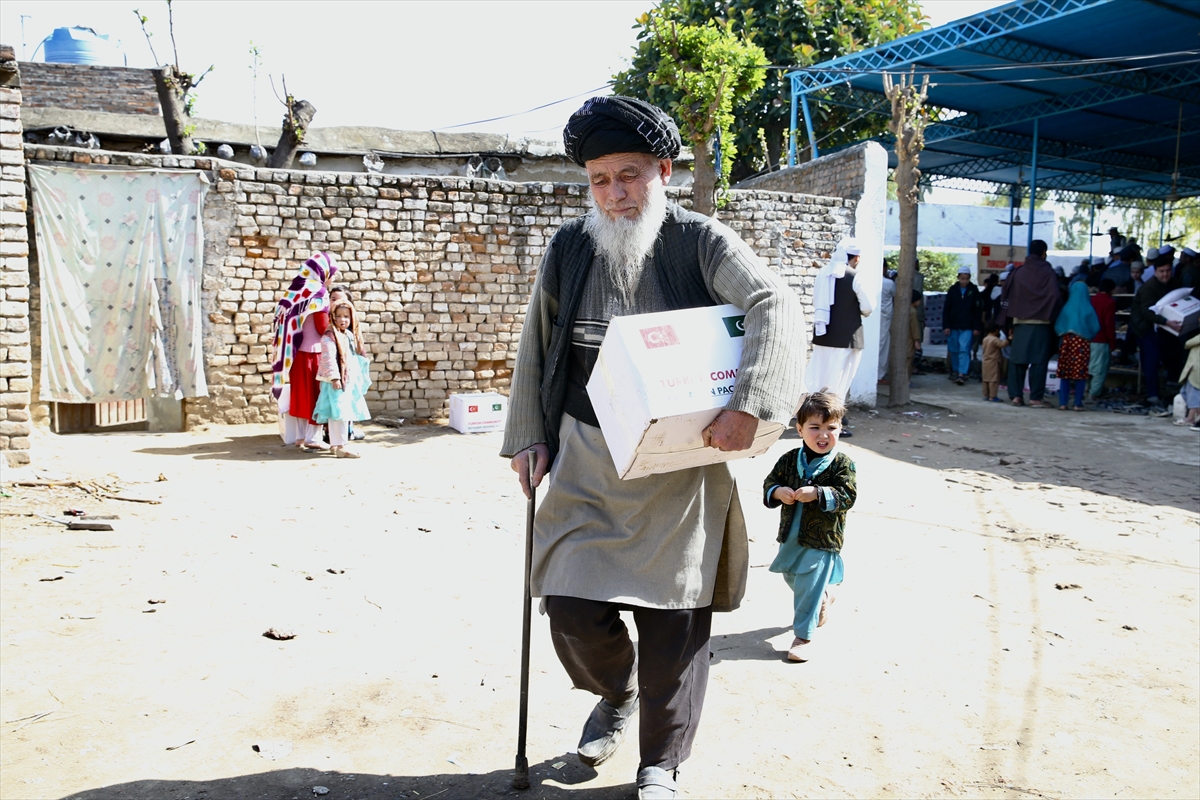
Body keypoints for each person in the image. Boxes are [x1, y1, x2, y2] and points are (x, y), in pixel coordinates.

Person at [499, 96, 806, 800]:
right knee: (571, 607)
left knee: (674, 619)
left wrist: (751, 404)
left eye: (630, 176)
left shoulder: (700, 240)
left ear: (664, 171)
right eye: (600, 180)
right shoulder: (570, 245)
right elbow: (539, 342)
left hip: (680, 458)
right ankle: (616, 689)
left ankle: (659, 764)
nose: (614, 195)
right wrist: (529, 437)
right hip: (586, 452)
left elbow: (773, 305)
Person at [762, 391, 856, 663]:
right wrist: (779, 492)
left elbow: (848, 496)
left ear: (841, 429)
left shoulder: (842, 463)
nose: (823, 435)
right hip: (791, 535)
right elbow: (770, 483)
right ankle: (825, 595)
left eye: (831, 428)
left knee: (809, 580)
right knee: (792, 576)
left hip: (823, 537)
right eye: (815, 428)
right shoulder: (790, 459)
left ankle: (803, 636)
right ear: (800, 429)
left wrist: (818, 494)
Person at [271, 252, 338, 450]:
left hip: (295, 353)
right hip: (314, 353)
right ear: (322, 271)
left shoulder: (294, 290)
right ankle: (313, 438)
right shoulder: (318, 292)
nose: (333, 278)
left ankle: (300, 437)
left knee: (300, 396)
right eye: (332, 273)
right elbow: (320, 325)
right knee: (317, 397)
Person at [805, 237, 875, 419]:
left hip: (824, 335)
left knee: (819, 378)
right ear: (857, 258)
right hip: (847, 338)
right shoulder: (855, 276)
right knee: (840, 381)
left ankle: (813, 415)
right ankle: (833, 418)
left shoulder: (823, 273)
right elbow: (868, 307)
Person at [997, 240, 1061, 407]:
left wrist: (1009, 323)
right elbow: (1055, 295)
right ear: (1043, 253)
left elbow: (1007, 295)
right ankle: (1035, 398)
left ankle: (1016, 396)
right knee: (1039, 362)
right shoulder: (1048, 272)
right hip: (1042, 323)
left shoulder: (1019, 272)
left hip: (1020, 322)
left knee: (1017, 360)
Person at [314, 299, 371, 458]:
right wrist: (334, 378)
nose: (343, 319)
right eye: (338, 316)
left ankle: (339, 443)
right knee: (338, 412)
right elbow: (328, 358)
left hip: (347, 380)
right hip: (337, 381)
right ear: (332, 317)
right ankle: (340, 445)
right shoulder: (330, 336)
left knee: (343, 412)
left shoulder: (348, 335)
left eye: (346, 316)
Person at [1129, 258, 1185, 408]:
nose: (1165, 274)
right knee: (1151, 361)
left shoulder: (1174, 284)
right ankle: (1152, 395)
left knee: (1173, 355)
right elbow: (1146, 312)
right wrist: (1166, 322)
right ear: (1155, 272)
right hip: (1147, 328)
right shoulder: (1148, 288)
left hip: (1166, 328)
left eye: (1167, 271)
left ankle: (1170, 389)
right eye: (1162, 271)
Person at [1054, 282, 1100, 411]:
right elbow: (1095, 327)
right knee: (1080, 373)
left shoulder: (1066, 308)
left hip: (1067, 342)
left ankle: (1063, 403)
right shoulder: (1088, 309)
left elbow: (1058, 326)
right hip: (1082, 344)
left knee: (1065, 373)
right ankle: (1077, 403)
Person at [942, 265, 981, 385]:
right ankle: (955, 370)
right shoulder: (952, 290)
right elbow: (946, 309)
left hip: (968, 326)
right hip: (953, 325)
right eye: (962, 278)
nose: (964, 281)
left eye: (966, 279)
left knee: (964, 349)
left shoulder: (973, 291)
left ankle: (962, 373)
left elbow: (977, 310)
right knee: (954, 349)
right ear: (958, 278)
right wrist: (946, 325)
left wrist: (976, 327)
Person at [1088, 278, 1117, 400]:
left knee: (1089, 367)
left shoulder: (1091, 300)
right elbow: (1109, 324)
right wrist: (1112, 342)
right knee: (1099, 370)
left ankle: (1087, 390)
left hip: (1089, 338)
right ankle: (1093, 394)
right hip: (1102, 339)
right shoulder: (1110, 302)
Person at [1177, 334, 1200, 430]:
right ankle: (1194, 417)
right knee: (1186, 392)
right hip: (1194, 368)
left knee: (1193, 394)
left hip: (1196, 370)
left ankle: (1190, 418)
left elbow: (1188, 343)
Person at [877, 262, 896, 383]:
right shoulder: (889, 283)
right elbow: (896, 295)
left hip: (873, 316)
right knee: (883, 346)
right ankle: (879, 375)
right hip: (885, 318)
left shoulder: (870, 281)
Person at [981, 321, 1004, 402]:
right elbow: (1001, 345)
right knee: (993, 380)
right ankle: (993, 396)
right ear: (996, 330)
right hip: (993, 362)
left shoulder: (985, 339)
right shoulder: (994, 339)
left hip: (985, 362)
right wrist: (1009, 339)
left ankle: (986, 395)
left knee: (986, 380)